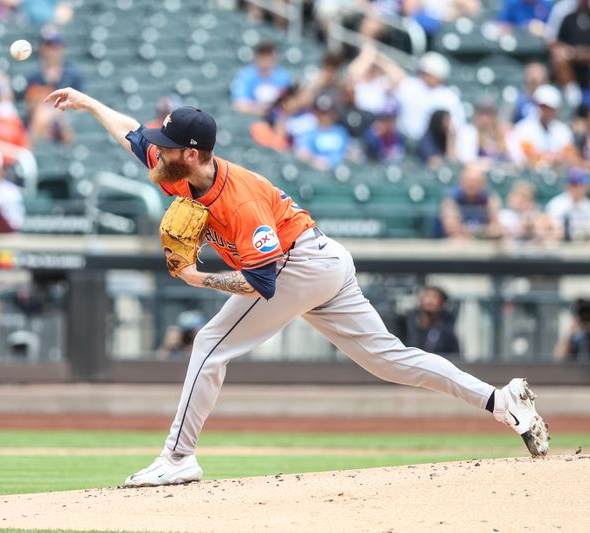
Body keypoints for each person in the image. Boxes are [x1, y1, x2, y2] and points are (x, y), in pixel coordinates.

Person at [44, 86, 550, 487]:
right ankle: (499, 401)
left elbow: (263, 282)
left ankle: (178, 457)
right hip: (321, 263)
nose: (160, 150)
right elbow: (133, 134)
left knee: (209, 345)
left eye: (170, 146)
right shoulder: (178, 169)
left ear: (193, 154)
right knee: (389, 359)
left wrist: (195, 276)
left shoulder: (239, 202)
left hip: (298, 265)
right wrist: (87, 103)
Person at [391, 52, 466, 142]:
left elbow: (457, 125)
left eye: (428, 73)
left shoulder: (449, 97)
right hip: (404, 139)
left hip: (435, 143)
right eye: (423, 72)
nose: (424, 76)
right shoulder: (410, 85)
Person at [25, 27, 82, 141]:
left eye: (54, 47)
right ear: (41, 49)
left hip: (67, 119)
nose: (51, 51)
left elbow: (82, 106)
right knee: (42, 114)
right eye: (47, 46)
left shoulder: (73, 75)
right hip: (41, 121)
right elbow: (29, 107)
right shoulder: (34, 76)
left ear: (62, 49)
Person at [507, 84, 577, 168]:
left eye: (550, 108)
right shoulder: (523, 129)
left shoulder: (563, 131)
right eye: (543, 107)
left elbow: (569, 157)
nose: (546, 111)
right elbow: (522, 158)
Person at [439, 163, 502, 240]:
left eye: (476, 181)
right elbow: (452, 229)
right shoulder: (451, 199)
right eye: (469, 180)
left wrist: (476, 233)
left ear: (483, 183)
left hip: (481, 241)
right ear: (461, 181)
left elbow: (495, 229)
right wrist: (483, 231)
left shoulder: (490, 198)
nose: (472, 184)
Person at [231, 40, 292, 116]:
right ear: (257, 57)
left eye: (269, 56)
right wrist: (263, 110)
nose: (266, 61)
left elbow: (289, 102)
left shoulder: (283, 75)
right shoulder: (245, 75)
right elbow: (239, 104)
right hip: (252, 118)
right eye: (263, 57)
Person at [398, 286, 460, 359]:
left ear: (442, 303)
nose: (430, 300)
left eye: (434, 297)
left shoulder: (447, 330)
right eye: (427, 296)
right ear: (420, 300)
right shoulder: (405, 324)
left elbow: (455, 357)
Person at [550, 0, 590, 109]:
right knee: (559, 56)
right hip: (570, 55)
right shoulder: (567, 16)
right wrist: (573, 52)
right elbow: (555, 43)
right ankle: (572, 94)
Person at [293, 94, 350, 170]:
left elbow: (347, 152)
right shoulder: (308, 132)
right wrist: (314, 159)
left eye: (327, 112)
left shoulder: (341, 132)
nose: (324, 116)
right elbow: (302, 152)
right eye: (320, 112)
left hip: (338, 172)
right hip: (314, 171)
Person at [545, 168, 590, 240]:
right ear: (567, 186)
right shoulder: (556, 204)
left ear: (585, 186)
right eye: (573, 185)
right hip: (560, 245)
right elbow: (550, 230)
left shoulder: (588, 205)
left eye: (579, 185)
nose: (576, 189)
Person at [554, 296, 590, 361]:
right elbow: (558, 356)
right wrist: (570, 331)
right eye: (582, 313)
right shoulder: (578, 337)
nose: (585, 316)